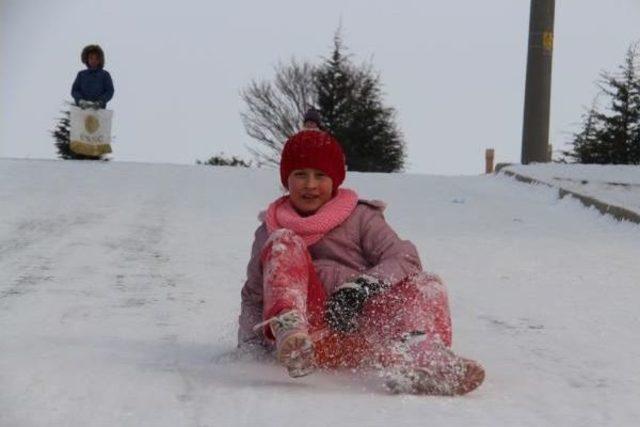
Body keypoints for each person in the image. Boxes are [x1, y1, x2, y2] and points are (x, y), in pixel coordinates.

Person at [237, 130, 485, 395]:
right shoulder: (270, 229)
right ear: (287, 180)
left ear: (335, 180)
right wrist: (248, 351)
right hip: (307, 337)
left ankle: (423, 360)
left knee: (426, 283)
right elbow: (254, 293)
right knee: (284, 241)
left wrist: (362, 288)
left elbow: (404, 256)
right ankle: (289, 326)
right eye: (300, 175)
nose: (310, 184)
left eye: (320, 176)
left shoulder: (360, 217)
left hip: (361, 334)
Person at [71, 44, 114, 109]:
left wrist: (100, 102)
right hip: (82, 111)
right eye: (91, 58)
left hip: (99, 111)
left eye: (96, 58)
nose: (93, 60)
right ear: (87, 59)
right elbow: (75, 90)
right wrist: (80, 100)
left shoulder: (105, 75)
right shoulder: (81, 75)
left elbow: (109, 91)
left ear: (100, 60)